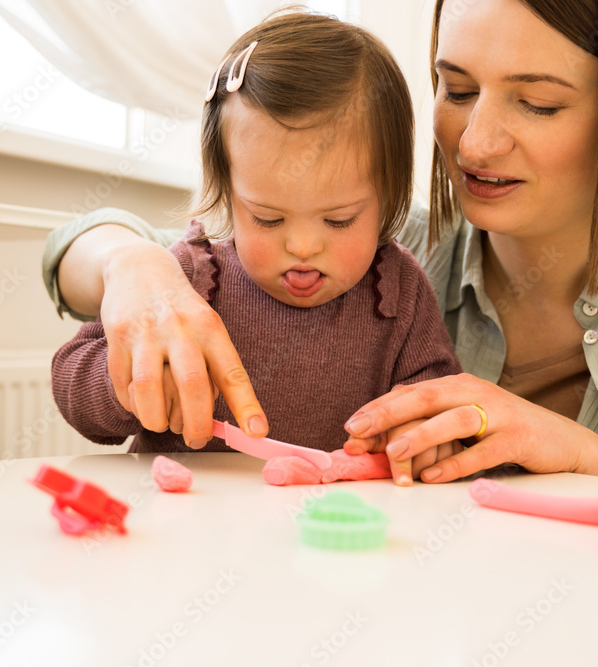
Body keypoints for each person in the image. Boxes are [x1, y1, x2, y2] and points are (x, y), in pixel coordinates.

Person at [43, 0, 598, 530]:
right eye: (457, 89)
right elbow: (95, 252)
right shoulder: (368, 242)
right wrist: (131, 266)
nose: (476, 143)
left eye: (537, 102)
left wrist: (591, 462)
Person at [50, 10, 461, 474]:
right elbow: (71, 383)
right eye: (267, 218)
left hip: (330, 516)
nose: (302, 246)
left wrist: (421, 432)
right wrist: (135, 382)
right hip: (187, 511)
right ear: (228, 192)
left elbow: (439, 396)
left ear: (388, 198)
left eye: (339, 219)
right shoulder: (189, 278)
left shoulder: (399, 292)